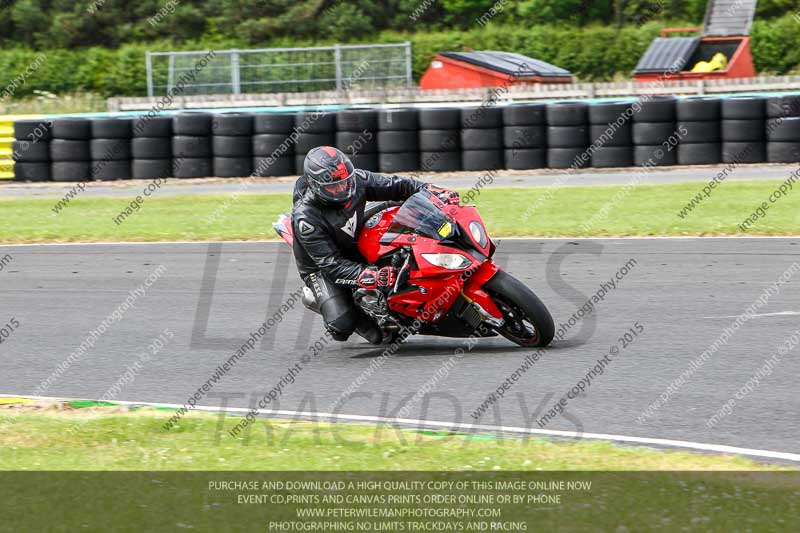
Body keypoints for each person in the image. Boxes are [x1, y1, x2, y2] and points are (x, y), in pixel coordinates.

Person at [291, 146, 459, 345]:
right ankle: (321, 299)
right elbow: (331, 265)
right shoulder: (306, 218)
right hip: (322, 266)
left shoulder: (356, 180)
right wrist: (371, 275)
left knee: (403, 223)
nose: (342, 189)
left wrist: (432, 191)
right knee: (345, 327)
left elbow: (398, 185)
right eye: (333, 186)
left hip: (354, 233)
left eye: (345, 181)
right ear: (316, 186)